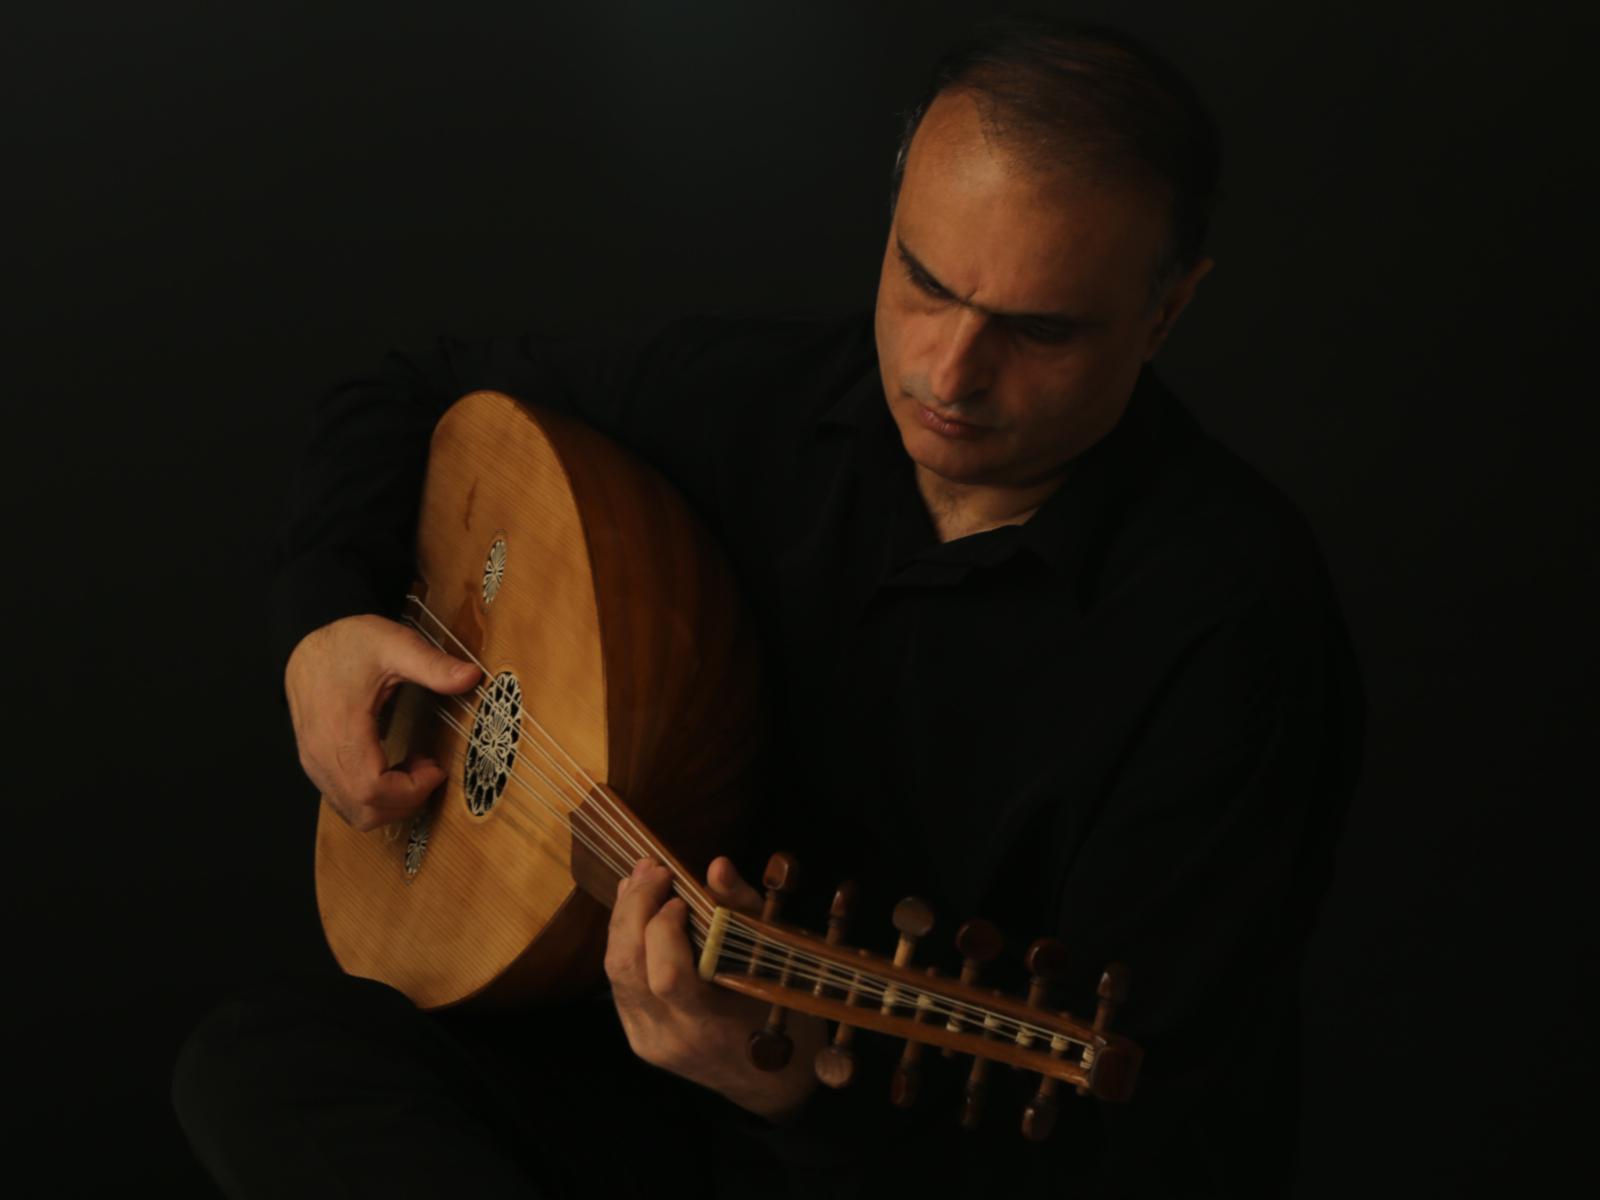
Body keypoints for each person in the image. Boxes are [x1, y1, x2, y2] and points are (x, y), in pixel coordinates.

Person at [174, 16, 1362, 1198]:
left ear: (1166, 311)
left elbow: (1152, 1138)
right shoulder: (765, 399)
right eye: (923, 281)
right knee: (269, 1062)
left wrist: (790, 1089)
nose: (948, 373)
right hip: (633, 1083)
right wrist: (322, 625)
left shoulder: (1230, 631)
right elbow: (407, 396)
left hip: (924, 1165)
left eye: (1037, 329)